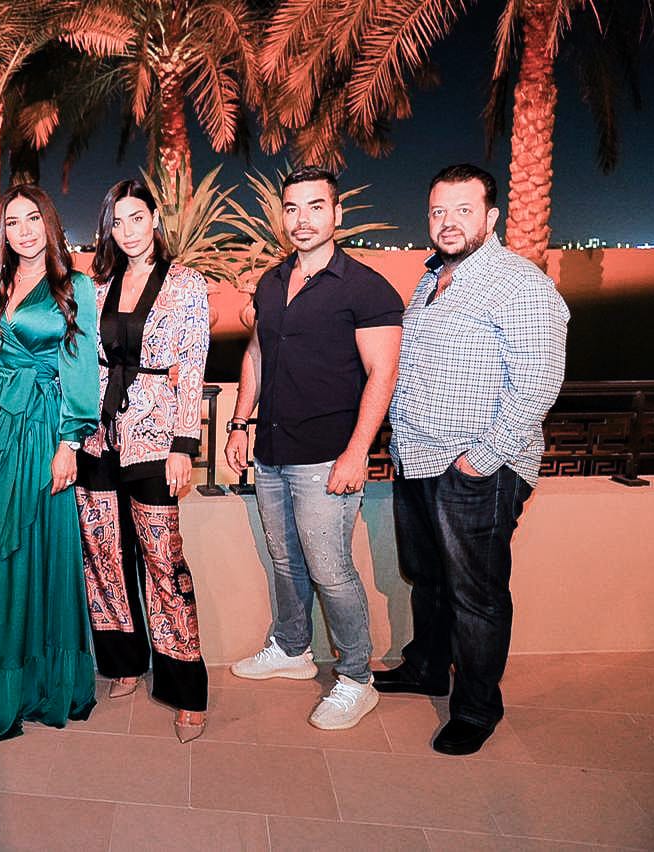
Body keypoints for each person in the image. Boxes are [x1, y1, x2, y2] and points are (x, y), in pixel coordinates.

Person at [379, 163, 568, 755]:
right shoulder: (432, 280)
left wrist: (483, 459)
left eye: (463, 210)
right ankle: (427, 668)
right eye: (438, 211)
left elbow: (538, 384)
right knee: (429, 577)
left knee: (476, 594)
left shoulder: (521, 284)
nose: (448, 222)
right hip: (418, 459)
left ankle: (477, 707)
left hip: (476, 468)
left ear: (491, 216)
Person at [226, 166, 403, 731]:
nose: (302, 219)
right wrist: (239, 423)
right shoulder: (272, 282)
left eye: (315, 206)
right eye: (292, 208)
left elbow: (383, 374)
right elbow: (256, 354)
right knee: (285, 560)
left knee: (331, 570)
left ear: (337, 213)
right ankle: (292, 648)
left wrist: (357, 453)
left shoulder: (365, 288)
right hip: (271, 449)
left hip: (328, 455)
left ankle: (356, 678)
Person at [0, 184, 100, 747]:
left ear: (49, 223)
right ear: (1, 233)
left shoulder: (74, 286)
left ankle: (32, 685)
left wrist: (70, 442)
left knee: (25, 548)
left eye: (32, 218)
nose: (23, 231)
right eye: (12, 223)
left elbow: (80, 367)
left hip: (39, 426)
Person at [77, 179, 210, 743]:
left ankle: (186, 687)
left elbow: (194, 364)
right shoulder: (98, 286)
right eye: (117, 221)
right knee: (103, 553)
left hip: (155, 437)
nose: (128, 231)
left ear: (155, 218)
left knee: (162, 558)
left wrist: (184, 445)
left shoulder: (186, 284)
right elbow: (82, 360)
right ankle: (124, 662)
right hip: (98, 436)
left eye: (137, 218)